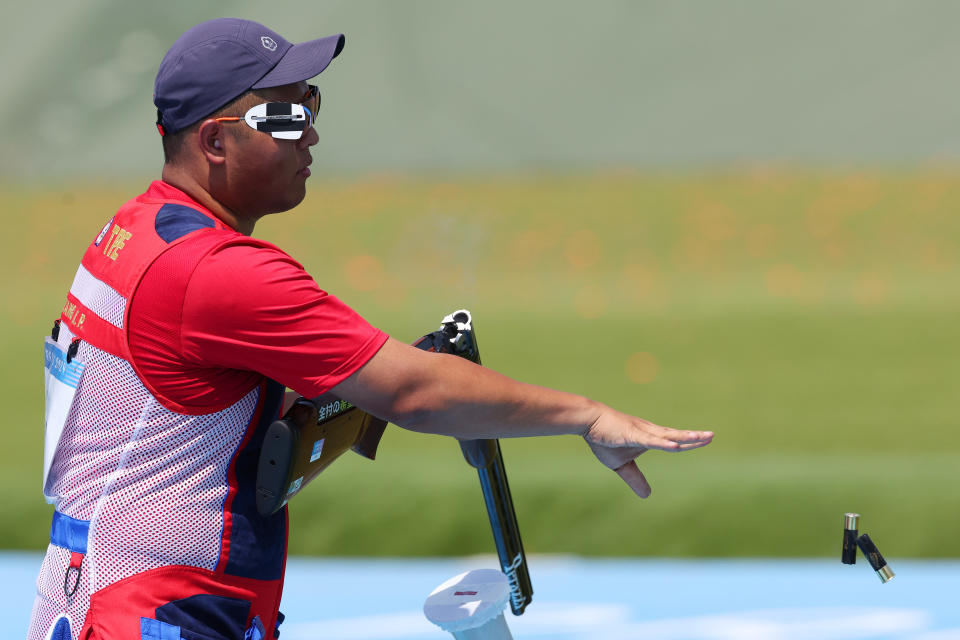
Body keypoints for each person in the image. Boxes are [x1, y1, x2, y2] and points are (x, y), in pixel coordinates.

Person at [30, 18, 714, 640]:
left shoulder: (141, 227)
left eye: (312, 104)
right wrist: (586, 416)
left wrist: (357, 407)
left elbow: (207, 435)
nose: (312, 132)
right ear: (215, 140)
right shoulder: (216, 272)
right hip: (155, 608)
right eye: (286, 115)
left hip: (119, 590)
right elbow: (414, 394)